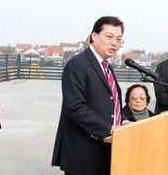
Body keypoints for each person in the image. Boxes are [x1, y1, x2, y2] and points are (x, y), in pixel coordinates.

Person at [52, 16, 127, 175]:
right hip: (84, 154)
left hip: (105, 149)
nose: (115, 43)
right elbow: (75, 107)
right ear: (94, 36)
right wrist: (109, 128)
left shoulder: (106, 66)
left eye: (119, 39)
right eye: (109, 36)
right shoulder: (78, 64)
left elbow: (111, 102)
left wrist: (123, 121)